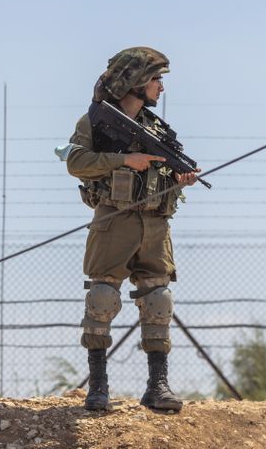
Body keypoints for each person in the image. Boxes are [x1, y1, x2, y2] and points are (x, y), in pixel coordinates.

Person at [61, 46, 199, 412]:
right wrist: (125, 160)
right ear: (135, 81)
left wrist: (180, 180)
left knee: (159, 300)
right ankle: (98, 387)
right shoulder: (96, 121)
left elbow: (163, 174)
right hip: (114, 220)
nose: (160, 88)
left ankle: (158, 385)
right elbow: (75, 161)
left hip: (155, 225)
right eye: (156, 80)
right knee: (102, 299)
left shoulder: (157, 129)